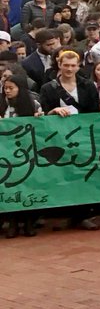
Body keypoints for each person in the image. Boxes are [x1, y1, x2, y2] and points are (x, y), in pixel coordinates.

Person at [39, 49, 100, 230]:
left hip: (83, 137)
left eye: (73, 65)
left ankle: (82, 216)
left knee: (83, 174)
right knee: (62, 175)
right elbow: (43, 114)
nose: (69, 69)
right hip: (58, 137)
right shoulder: (48, 88)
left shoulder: (88, 85)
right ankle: (64, 215)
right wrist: (53, 112)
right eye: (65, 65)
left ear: (78, 66)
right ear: (59, 65)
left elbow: (93, 112)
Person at [1, 76, 42, 237]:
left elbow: (42, 125)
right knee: (10, 186)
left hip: (28, 152)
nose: (8, 91)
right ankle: (12, 223)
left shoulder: (33, 104)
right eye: (6, 88)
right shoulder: (1, 104)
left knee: (30, 186)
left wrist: (40, 118)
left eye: (11, 88)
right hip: (5, 154)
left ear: (20, 89)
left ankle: (29, 223)